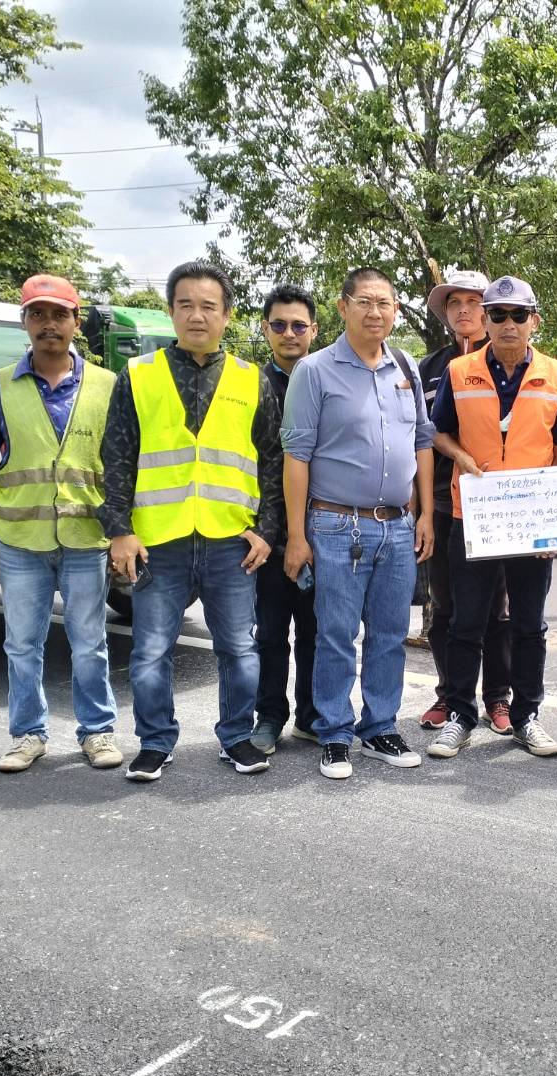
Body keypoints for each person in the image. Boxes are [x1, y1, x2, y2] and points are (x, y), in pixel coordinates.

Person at [100, 261, 285, 782]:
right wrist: (119, 530)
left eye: (208, 306)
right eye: (186, 305)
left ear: (227, 315)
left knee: (240, 650)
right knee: (150, 652)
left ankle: (237, 737)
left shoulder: (251, 380)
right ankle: (155, 743)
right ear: (171, 311)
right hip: (159, 540)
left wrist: (266, 530)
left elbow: (272, 461)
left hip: (231, 541)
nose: (197, 316)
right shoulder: (138, 376)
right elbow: (116, 457)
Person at [282, 267, 436, 781]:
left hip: (398, 525)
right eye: (365, 302)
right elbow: (297, 455)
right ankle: (333, 732)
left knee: (390, 634)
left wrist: (425, 514)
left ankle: (380, 727)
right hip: (335, 525)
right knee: (336, 634)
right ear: (343, 306)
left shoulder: (405, 366)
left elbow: (422, 441)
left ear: (396, 311)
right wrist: (297, 536)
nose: (375, 312)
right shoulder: (315, 371)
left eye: (384, 303)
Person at [425, 275, 557, 759]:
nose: (508, 323)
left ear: (535, 321)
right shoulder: (459, 372)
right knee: (466, 622)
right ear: (486, 320)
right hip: (474, 517)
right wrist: (463, 458)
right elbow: (437, 433)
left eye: (518, 315)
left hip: (532, 521)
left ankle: (526, 716)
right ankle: (459, 715)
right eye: (497, 314)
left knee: (528, 625)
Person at [0, 274, 120, 774]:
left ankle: (96, 731)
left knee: (90, 643)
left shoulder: (107, 385)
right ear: (25, 322)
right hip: (20, 540)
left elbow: (123, 465)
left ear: (77, 322)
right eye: (38, 314)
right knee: (22, 644)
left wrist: (125, 533)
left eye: (59, 314)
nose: (48, 324)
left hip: (85, 537)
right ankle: (27, 735)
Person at [416, 269, 513, 735]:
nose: (463, 310)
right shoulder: (429, 368)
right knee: (445, 607)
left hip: (498, 504)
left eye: (473, 301)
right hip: (442, 502)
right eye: (454, 303)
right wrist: (420, 510)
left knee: (497, 610)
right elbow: (421, 438)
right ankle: (450, 695)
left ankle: (498, 697)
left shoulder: (511, 358)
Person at [250, 284, 319, 754]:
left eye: (298, 325)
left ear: (314, 330)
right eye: (279, 325)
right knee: (271, 633)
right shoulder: (248, 386)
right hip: (266, 534)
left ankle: (311, 716)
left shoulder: (329, 379)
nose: (289, 333)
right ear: (265, 329)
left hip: (324, 527)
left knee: (317, 631)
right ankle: (270, 717)